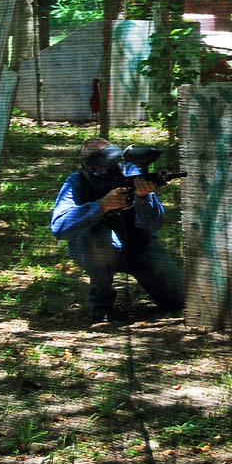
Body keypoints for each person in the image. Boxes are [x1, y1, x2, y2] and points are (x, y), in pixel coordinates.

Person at [50, 137, 185, 324]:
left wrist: (144, 197)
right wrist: (101, 206)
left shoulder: (132, 173)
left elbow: (153, 225)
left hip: (137, 246)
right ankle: (101, 304)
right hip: (95, 247)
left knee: (177, 300)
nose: (111, 170)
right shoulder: (77, 181)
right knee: (100, 238)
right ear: (89, 167)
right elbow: (59, 227)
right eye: (104, 168)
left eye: (115, 164)